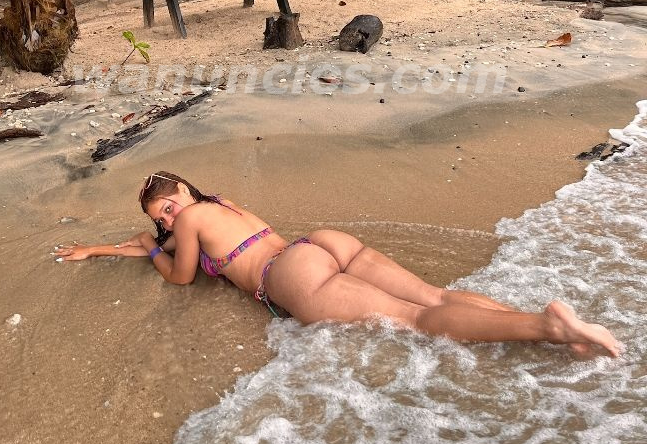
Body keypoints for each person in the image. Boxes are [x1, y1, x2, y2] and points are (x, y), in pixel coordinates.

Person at [55, 171, 621, 357]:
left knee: (420, 320)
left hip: (290, 276)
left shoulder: (187, 224)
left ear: (181, 195)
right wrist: (105, 249)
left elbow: (180, 277)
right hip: (320, 243)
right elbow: (171, 248)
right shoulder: (218, 205)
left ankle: (548, 327)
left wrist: (155, 247)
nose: (170, 216)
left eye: (168, 206)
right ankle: (548, 327)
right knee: (433, 297)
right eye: (162, 216)